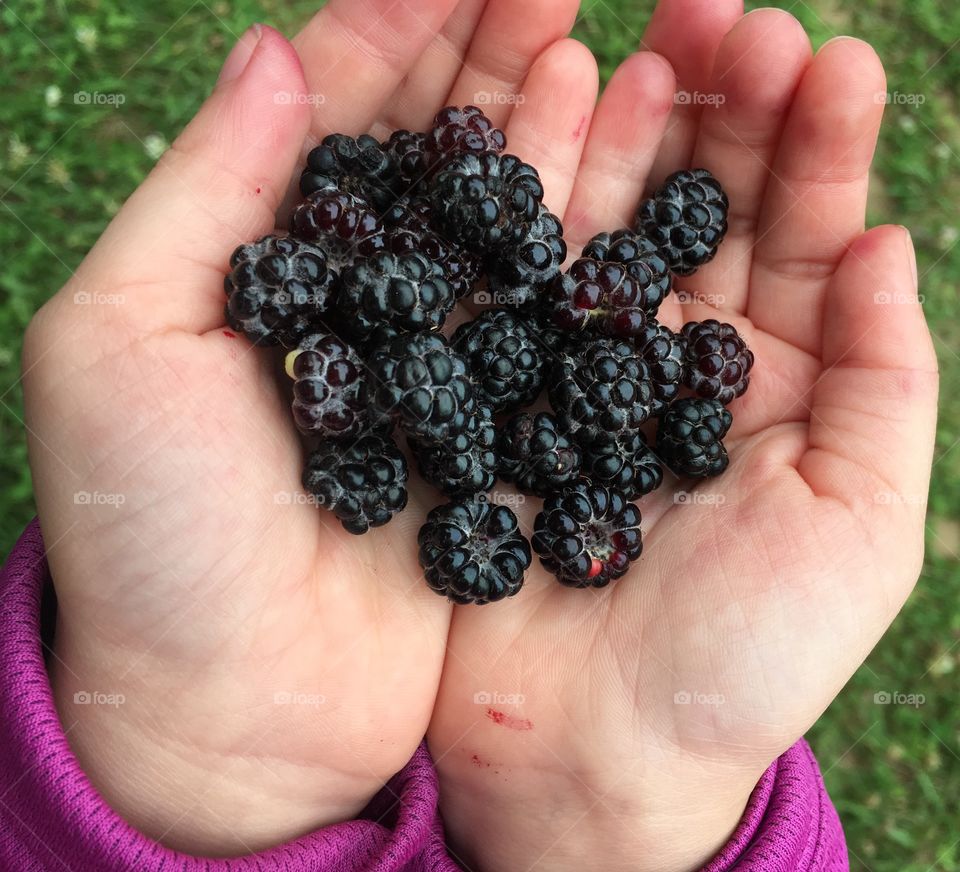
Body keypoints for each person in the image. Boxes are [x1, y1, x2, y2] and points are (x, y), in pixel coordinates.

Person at [0, 0, 938, 869]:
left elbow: (493, 381)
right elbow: (438, 368)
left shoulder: (554, 375)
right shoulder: (415, 327)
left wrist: (179, 758)